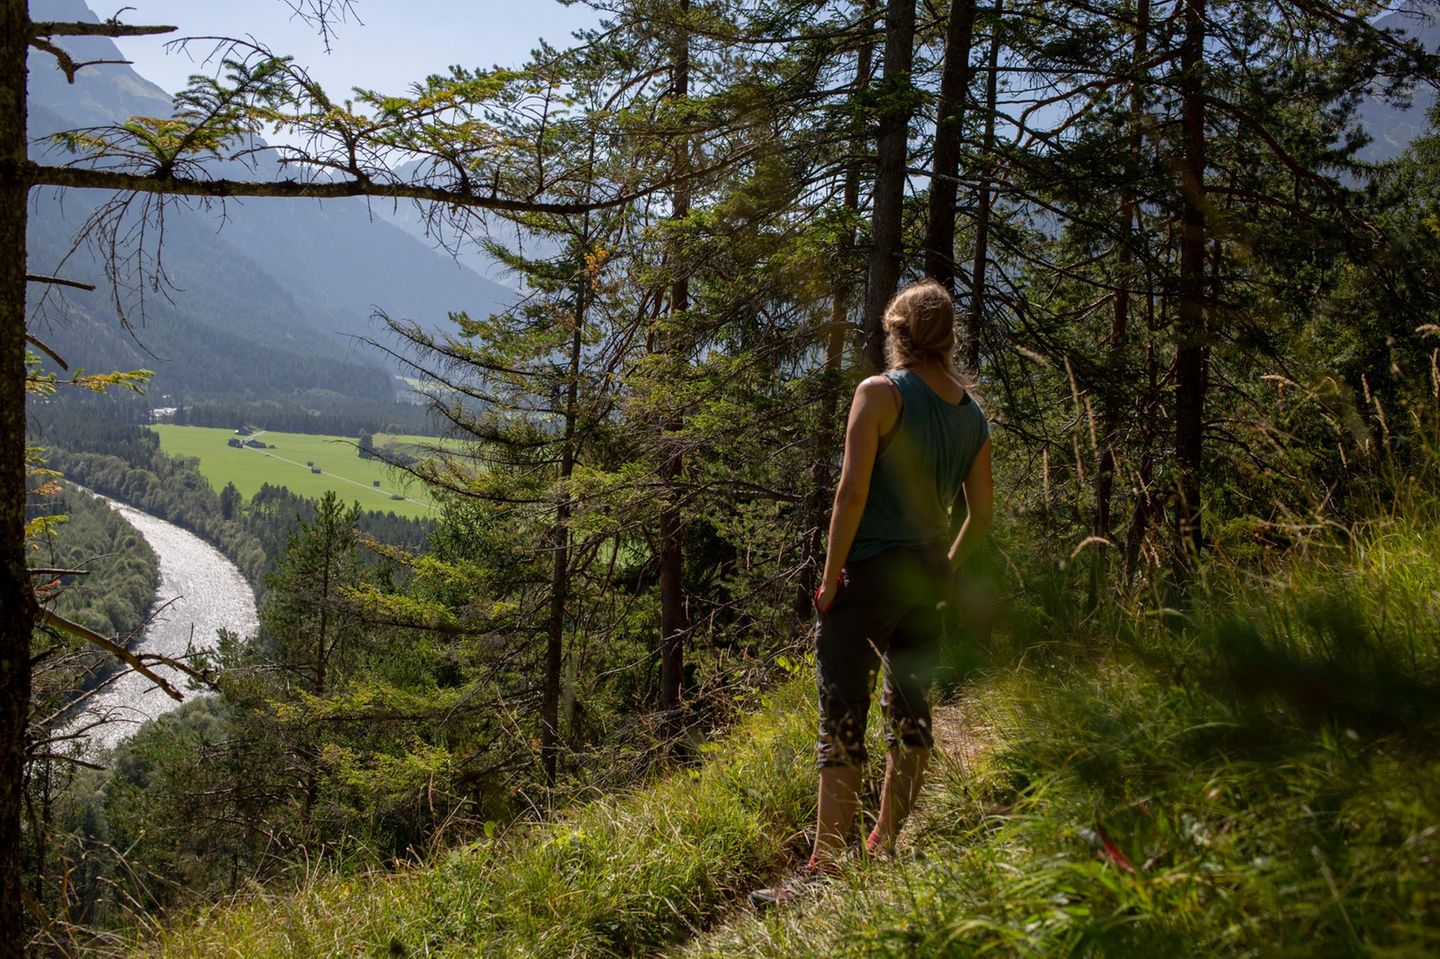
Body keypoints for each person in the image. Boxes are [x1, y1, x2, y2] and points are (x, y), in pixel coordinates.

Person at [752, 279, 993, 906]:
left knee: (842, 714)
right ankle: (882, 844)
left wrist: (830, 578)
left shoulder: (880, 394)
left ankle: (825, 867)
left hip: (869, 574)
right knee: (910, 710)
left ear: (900, 333)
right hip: (924, 577)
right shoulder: (972, 414)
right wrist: (945, 567)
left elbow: (851, 494)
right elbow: (982, 516)